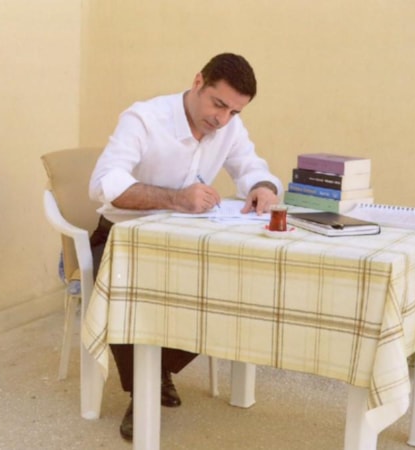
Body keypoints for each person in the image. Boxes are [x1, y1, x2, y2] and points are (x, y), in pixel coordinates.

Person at [87, 52, 282, 441]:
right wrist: (176, 198)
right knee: (137, 294)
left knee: (237, 291)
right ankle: (143, 393)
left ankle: (157, 368)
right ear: (198, 82)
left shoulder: (228, 127)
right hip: (120, 241)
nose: (222, 119)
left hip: (184, 244)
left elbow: (251, 167)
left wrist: (263, 188)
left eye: (234, 112)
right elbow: (102, 184)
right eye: (218, 104)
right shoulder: (144, 119)